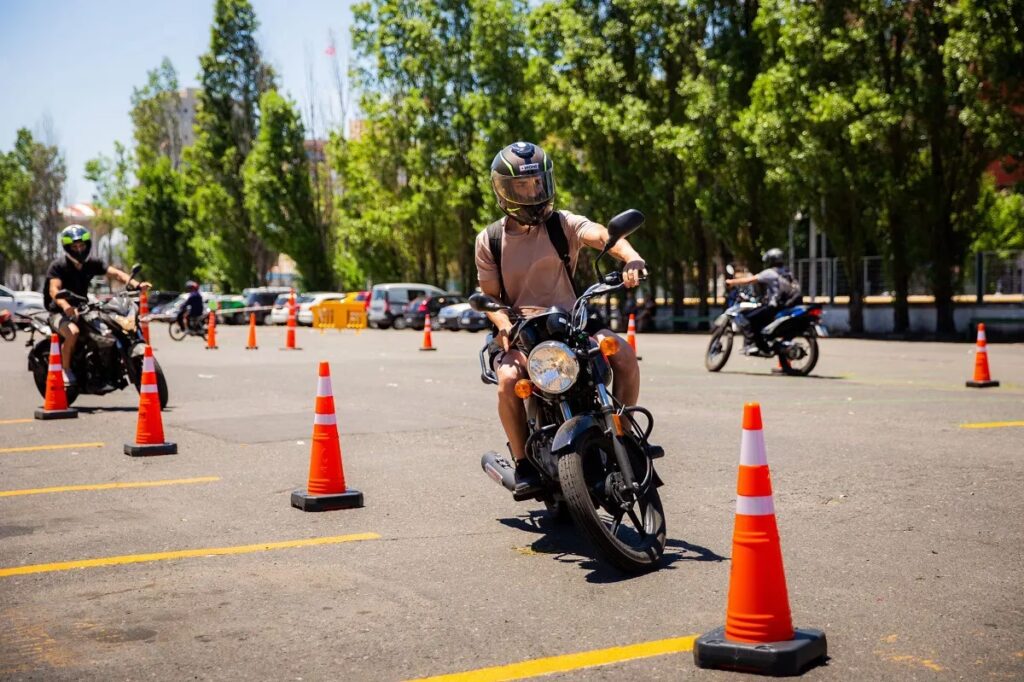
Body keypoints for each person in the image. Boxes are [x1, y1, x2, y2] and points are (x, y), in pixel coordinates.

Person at [475, 141, 647, 493]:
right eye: (522, 186)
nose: (532, 192)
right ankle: (523, 463)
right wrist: (503, 323)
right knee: (509, 380)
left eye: (537, 183)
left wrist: (629, 256)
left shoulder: (562, 224)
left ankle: (624, 436)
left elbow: (600, 234)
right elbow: (489, 297)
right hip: (520, 329)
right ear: (504, 189)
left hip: (572, 318)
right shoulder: (490, 239)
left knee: (624, 355)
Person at [43, 224, 150, 386]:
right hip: (59, 312)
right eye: (75, 246)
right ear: (68, 248)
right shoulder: (59, 266)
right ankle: (65, 370)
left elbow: (115, 273)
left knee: (108, 326)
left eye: (82, 245)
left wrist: (136, 284)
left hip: (83, 307)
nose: (79, 249)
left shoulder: (91, 263)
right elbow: (53, 289)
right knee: (73, 332)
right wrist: (65, 306)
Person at [725, 247, 801, 353]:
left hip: (774, 306)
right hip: (788, 305)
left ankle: (751, 344)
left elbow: (749, 280)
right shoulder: (787, 271)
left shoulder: (770, 273)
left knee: (747, 318)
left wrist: (732, 282)